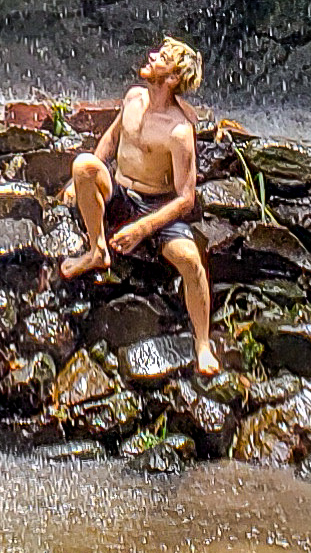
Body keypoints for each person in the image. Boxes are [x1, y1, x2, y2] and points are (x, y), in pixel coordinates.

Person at [59, 34, 220, 378]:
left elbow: (186, 197)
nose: (150, 56)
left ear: (173, 78)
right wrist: (78, 183)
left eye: (161, 57)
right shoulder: (133, 98)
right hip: (121, 193)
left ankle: (202, 344)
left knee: (191, 262)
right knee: (84, 164)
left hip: (156, 208)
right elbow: (111, 138)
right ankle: (96, 251)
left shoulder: (179, 131)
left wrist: (142, 228)